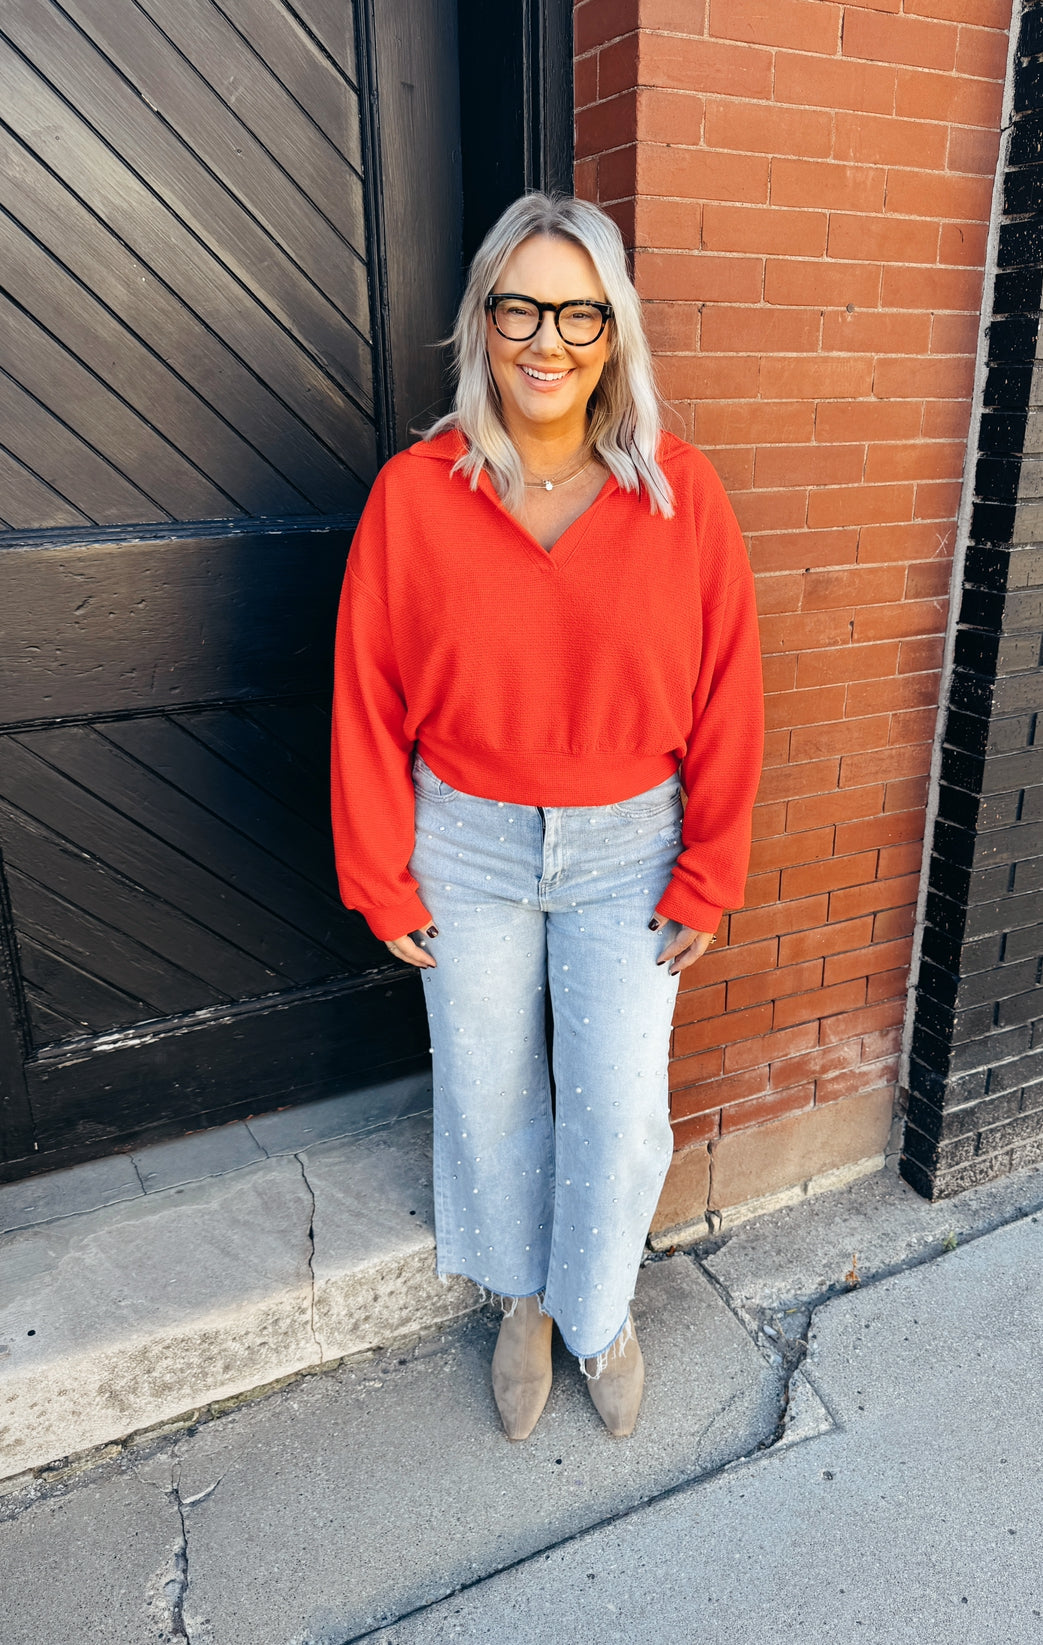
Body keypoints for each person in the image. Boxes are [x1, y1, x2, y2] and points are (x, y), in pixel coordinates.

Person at [331, 192, 763, 1441]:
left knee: (620, 1104)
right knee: (485, 1089)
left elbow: (730, 687)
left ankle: (598, 1305)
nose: (547, 339)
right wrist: (382, 871)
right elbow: (365, 691)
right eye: (520, 305)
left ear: (612, 331)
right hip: (460, 841)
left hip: (630, 842)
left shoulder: (679, 495)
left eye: (579, 311)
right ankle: (522, 1297)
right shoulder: (414, 496)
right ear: (484, 322)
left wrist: (708, 869)